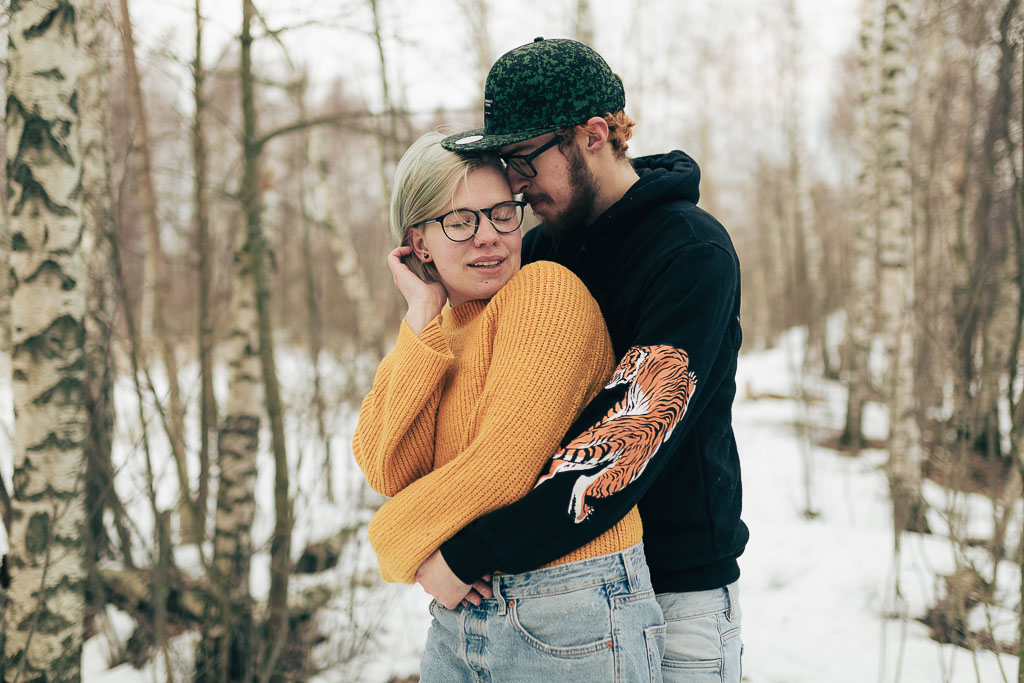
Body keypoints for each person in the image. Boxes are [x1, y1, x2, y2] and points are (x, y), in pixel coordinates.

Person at [420, 38, 748, 682]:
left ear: (594, 134)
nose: (514, 184)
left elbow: (624, 440)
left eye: (523, 160)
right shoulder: (538, 253)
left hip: (672, 592)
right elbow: (475, 414)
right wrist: (429, 300)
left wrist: (470, 553)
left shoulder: (690, 252)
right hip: (541, 588)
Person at [352, 131, 665, 681]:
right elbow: (387, 465)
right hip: (462, 611)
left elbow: (504, 466)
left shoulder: (545, 292)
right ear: (419, 242)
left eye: (501, 213)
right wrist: (422, 314)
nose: (489, 238)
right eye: (460, 221)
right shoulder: (440, 331)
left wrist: (395, 540)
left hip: (573, 608)